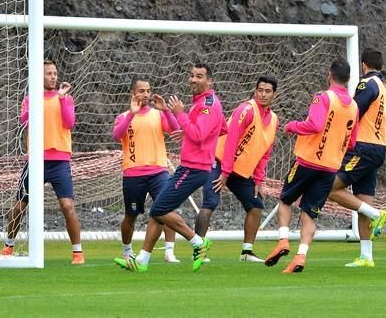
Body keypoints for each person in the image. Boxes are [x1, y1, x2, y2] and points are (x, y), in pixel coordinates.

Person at [114, 62, 227, 273]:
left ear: (209, 80)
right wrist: (191, 131)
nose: (193, 79)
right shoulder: (203, 102)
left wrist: (180, 115)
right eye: (192, 75)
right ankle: (142, 260)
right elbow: (220, 128)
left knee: (159, 209)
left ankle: (197, 242)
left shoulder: (207, 104)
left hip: (194, 168)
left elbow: (200, 134)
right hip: (183, 166)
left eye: (199, 76)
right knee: (157, 212)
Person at [265, 59, 358, 273]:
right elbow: (352, 141)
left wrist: (292, 126)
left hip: (308, 161)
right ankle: (301, 256)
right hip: (330, 167)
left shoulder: (323, 97)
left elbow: (314, 125)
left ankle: (283, 240)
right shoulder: (353, 106)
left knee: (285, 200)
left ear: (329, 75)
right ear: (348, 79)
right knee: (309, 213)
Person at [1, 59, 84, 265]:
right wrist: (37, 103)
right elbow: (24, 121)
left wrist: (62, 99)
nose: (53, 76)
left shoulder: (66, 98)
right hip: (36, 160)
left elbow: (69, 122)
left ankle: (78, 252)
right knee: (20, 206)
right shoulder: (31, 99)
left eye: (55, 73)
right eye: (48, 73)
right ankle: (8, 245)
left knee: (67, 206)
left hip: (59, 161)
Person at [197, 75, 279, 263]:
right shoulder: (247, 110)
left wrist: (258, 179)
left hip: (239, 171)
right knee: (210, 202)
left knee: (256, 206)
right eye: (260, 90)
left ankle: (247, 252)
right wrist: (225, 173)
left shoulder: (274, 119)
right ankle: (199, 249)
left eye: (268, 91)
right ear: (255, 90)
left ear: (275, 94)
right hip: (218, 161)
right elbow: (231, 141)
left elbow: (265, 152)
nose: (263, 95)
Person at [328, 49, 386, 268]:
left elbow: (353, 113)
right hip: (377, 148)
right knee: (363, 201)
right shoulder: (383, 87)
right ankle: (366, 256)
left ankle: (377, 214)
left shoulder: (367, 84)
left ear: (364, 65)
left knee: (329, 187)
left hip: (363, 148)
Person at [113, 77, 181, 263]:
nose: (145, 94)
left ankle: (169, 251)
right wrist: (131, 114)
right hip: (133, 173)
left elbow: (176, 132)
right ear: (132, 94)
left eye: (148, 90)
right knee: (131, 215)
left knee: (165, 209)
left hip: (159, 171)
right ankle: (127, 250)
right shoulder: (124, 116)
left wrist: (166, 110)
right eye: (141, 91)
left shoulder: (158, 115)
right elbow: (116, 135)